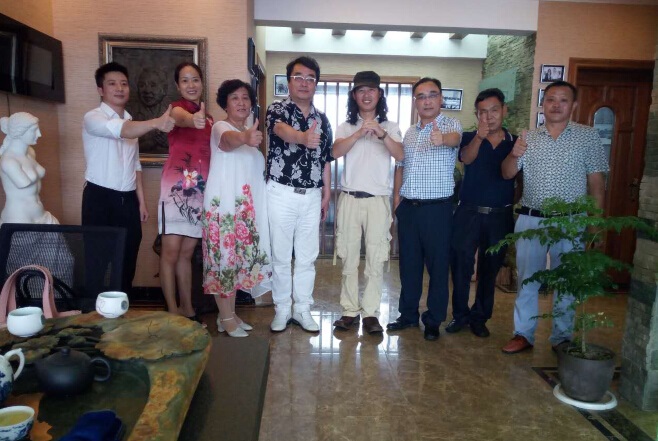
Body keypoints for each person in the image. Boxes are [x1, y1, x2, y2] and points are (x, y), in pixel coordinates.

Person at [500, 80, 608, 354]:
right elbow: (507, 173)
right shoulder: (529, 137)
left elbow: (596, 184)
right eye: (550, 99)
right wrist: (514, 154)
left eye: (563, 100)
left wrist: (595, 223)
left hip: (572, 221)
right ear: (543, 104)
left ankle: (561, 337)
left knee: (566, 280)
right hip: (531, 218)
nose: (556, 105)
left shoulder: (588, 137)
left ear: (574, 105)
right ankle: (523, 334)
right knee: (528, 279)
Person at [82, 61, 174, 295]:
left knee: (128, 257)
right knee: (97, 259)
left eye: (123, 83)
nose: (119, 88)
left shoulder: (131, 119)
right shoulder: (93, 117)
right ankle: (91, 311)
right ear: (101, 89)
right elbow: (122, 130)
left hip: (128, 199)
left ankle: (122, 308)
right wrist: (157, 122)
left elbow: (135, 164)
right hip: (99, 197)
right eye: (112, 84)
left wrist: (140, 201)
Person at [386, 77, 462, 341]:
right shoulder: (409, 132)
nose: (427, 101)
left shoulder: (450, 125)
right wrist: (397, 200)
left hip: (437, 210)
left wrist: (442, 139)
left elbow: (455, 140)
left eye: (432, 95)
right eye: (421, 96)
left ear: (440, 98)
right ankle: (408, 315)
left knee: (438, 267)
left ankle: (433, 319)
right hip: (409, 208)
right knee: (409, 265)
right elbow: (401, 166)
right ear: (415, 101)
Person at [331, 71, 403, 334]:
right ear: (354, 96)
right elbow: (335, 152)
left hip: (378, 201)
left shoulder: (390, 126)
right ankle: (349, 310)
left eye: (371, 90)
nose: (366, 94)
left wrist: (382, 134)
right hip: (350, 198)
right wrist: (359, 133)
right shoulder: (345, 126)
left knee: (376, 257)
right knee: (348, 257)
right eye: (361, 90)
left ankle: (371, 313)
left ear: (379, 94)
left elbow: (400, 155)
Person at [266, 56, 333, 333]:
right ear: (289, 81)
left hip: (312, 195)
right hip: (281, 192)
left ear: (316, 84)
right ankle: (282, 309)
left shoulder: (322, 119)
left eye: (310, 78)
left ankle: (302, 309)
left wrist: (327, 193)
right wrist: (303, 137)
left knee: (307, 257)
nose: (304, 83)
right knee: (281, 256)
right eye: (298, 77)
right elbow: (281, 131)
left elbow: (326, 160)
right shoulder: (277, 109)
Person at [202, 79, 272, 337]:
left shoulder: (250, 135)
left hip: (243, 213)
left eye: (245, 98)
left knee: (235, 263)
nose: (241, 102)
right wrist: (244, 137)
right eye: (234, 98)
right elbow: (228, 141)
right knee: (224, 261)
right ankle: (226, 317)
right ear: (225, 104)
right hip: (224, 211)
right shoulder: (221, 127)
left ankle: (228, 315)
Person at [447, 88, 516, 338]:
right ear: (477, 115)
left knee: (490, 268)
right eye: (483, 112)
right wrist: (479, 137)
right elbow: (466, 158)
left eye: (494, 110)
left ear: (504, 110)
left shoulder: (515, 142)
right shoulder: (468, 137)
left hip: (500, 215)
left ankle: (480, 317)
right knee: (461, 265)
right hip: (468, 212)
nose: (489, 116)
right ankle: (459, 315)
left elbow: (517, 177)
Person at [158, 62, 212, 322]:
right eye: (185, 80)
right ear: (178, 86)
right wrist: (192, 120)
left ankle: (187, 310)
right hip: (176, 189)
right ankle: (172, 312)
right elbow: (181, 118)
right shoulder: (176, 109)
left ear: (202, 83)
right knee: (170, 252)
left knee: (187, 253)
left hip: (199, 191)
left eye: (195, 79)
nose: (191, 85)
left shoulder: (209, 118)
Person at [0, 112, 58, 225]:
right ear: (19, 132)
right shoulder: (8, 161)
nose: (39, 134)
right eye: (34, 130)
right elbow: (23, 183)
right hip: (19, 217)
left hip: (39, 214)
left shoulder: (30, 152)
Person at [134, 68, 170, 155]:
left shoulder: (174, 111)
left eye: (153, 85)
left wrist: (169, 142)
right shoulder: (130, 113)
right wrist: (149, 143)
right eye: (142, 85)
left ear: (164, 90)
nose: (147, 90)